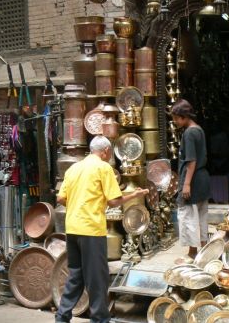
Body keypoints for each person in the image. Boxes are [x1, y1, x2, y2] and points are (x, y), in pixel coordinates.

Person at [55, 136, 148, 323]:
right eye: (109, 153)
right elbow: (113, 201)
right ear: (105, 151)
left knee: (76, 275)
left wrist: (79, 204)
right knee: (97, 278)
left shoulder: (74, 168)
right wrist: (134, 195)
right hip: (91, 230)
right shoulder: (103, 168)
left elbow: (60, 198)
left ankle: (62, 316)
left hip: (72, 229)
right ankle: (100, 319)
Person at [171, 99, 211, 260]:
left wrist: (186, 184)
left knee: (188, 216)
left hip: (193, 179)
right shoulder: (198, 129)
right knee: (201, 215)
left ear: (183, 117)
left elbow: (191, 160)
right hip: (202, 178)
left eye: (175, 118)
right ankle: (204, 250)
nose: (174, 122)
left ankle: (193, 252)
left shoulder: (189, 133)